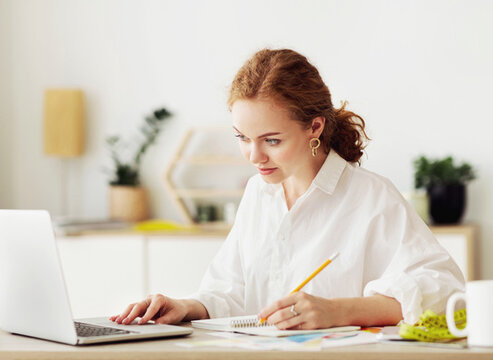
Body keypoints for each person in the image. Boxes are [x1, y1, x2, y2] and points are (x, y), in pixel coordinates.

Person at [109, 48, 465, 330]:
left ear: (315, 127)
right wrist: (188, 306)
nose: (254, 155)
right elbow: (230, 293)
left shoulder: (371, 197)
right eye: (242, 138)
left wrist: (338, 312)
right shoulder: (257, 194)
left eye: (272, 140)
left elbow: (444, 289)